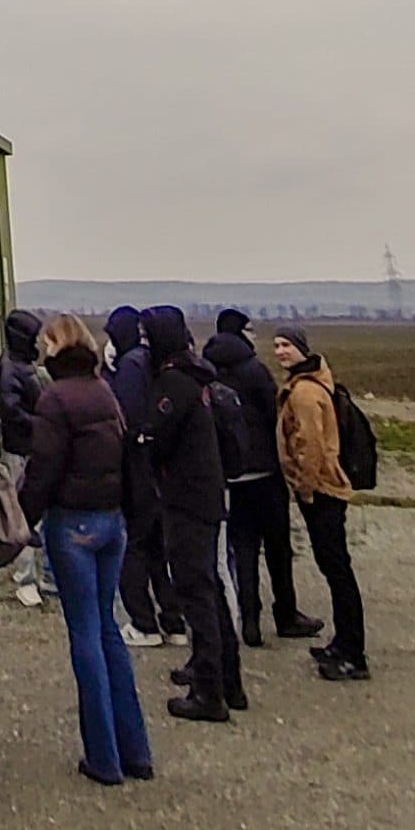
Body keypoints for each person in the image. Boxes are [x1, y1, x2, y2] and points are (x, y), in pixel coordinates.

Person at [22, 314, 153, 788]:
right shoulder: (103, 391)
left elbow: (44, 469)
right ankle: (135, 749)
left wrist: (20, 519)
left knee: (85, 637)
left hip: (73, 523)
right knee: (108, 632)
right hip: (111, 521)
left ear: (56, 347)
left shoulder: (55, 399)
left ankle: (104, 757)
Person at [139, 308, 245, 724]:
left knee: (197, 593)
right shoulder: (197, 377)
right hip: (207, 496)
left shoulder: (174, 384)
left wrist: (142, 439)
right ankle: (226, 679)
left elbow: (156, 437)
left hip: (187, 501)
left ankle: (209, 691)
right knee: (210, 589)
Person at [204, 309, 320, 646]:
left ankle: (249, 620)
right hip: (266, 473)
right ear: (241, 332)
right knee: (278, 547)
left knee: (243, 549)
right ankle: (286, 614)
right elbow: (275, 415)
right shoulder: (254, 370)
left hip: (232, 475)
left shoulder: (208, 369)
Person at [274, 326, 368, 681]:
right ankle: (342, 642)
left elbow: (310, 446)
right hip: (326, 488)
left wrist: (306, 487)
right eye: (278, 346)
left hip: (324, 491)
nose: (281, 352)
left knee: (338, 570)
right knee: (334, 569)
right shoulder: (310, 383)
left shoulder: (305, 393)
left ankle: (353, 654)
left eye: (287, 346)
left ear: (301, 349)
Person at [104, 305, 176, 648]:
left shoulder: (130, 367)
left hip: (135, 469)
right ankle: (173, 619)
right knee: (158, 548)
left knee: (134, 545)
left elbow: (126, 419)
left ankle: (143, 621)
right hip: (157, 470)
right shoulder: (150, 361)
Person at [0, 308, 55, 607]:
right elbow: (11, 410)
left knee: (37, 512)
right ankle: (25, 578)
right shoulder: (10, 368)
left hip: (33, 446)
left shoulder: (25, 364)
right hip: (19, 449)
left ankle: (41, 574)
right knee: (22, 515)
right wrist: (41, 422)